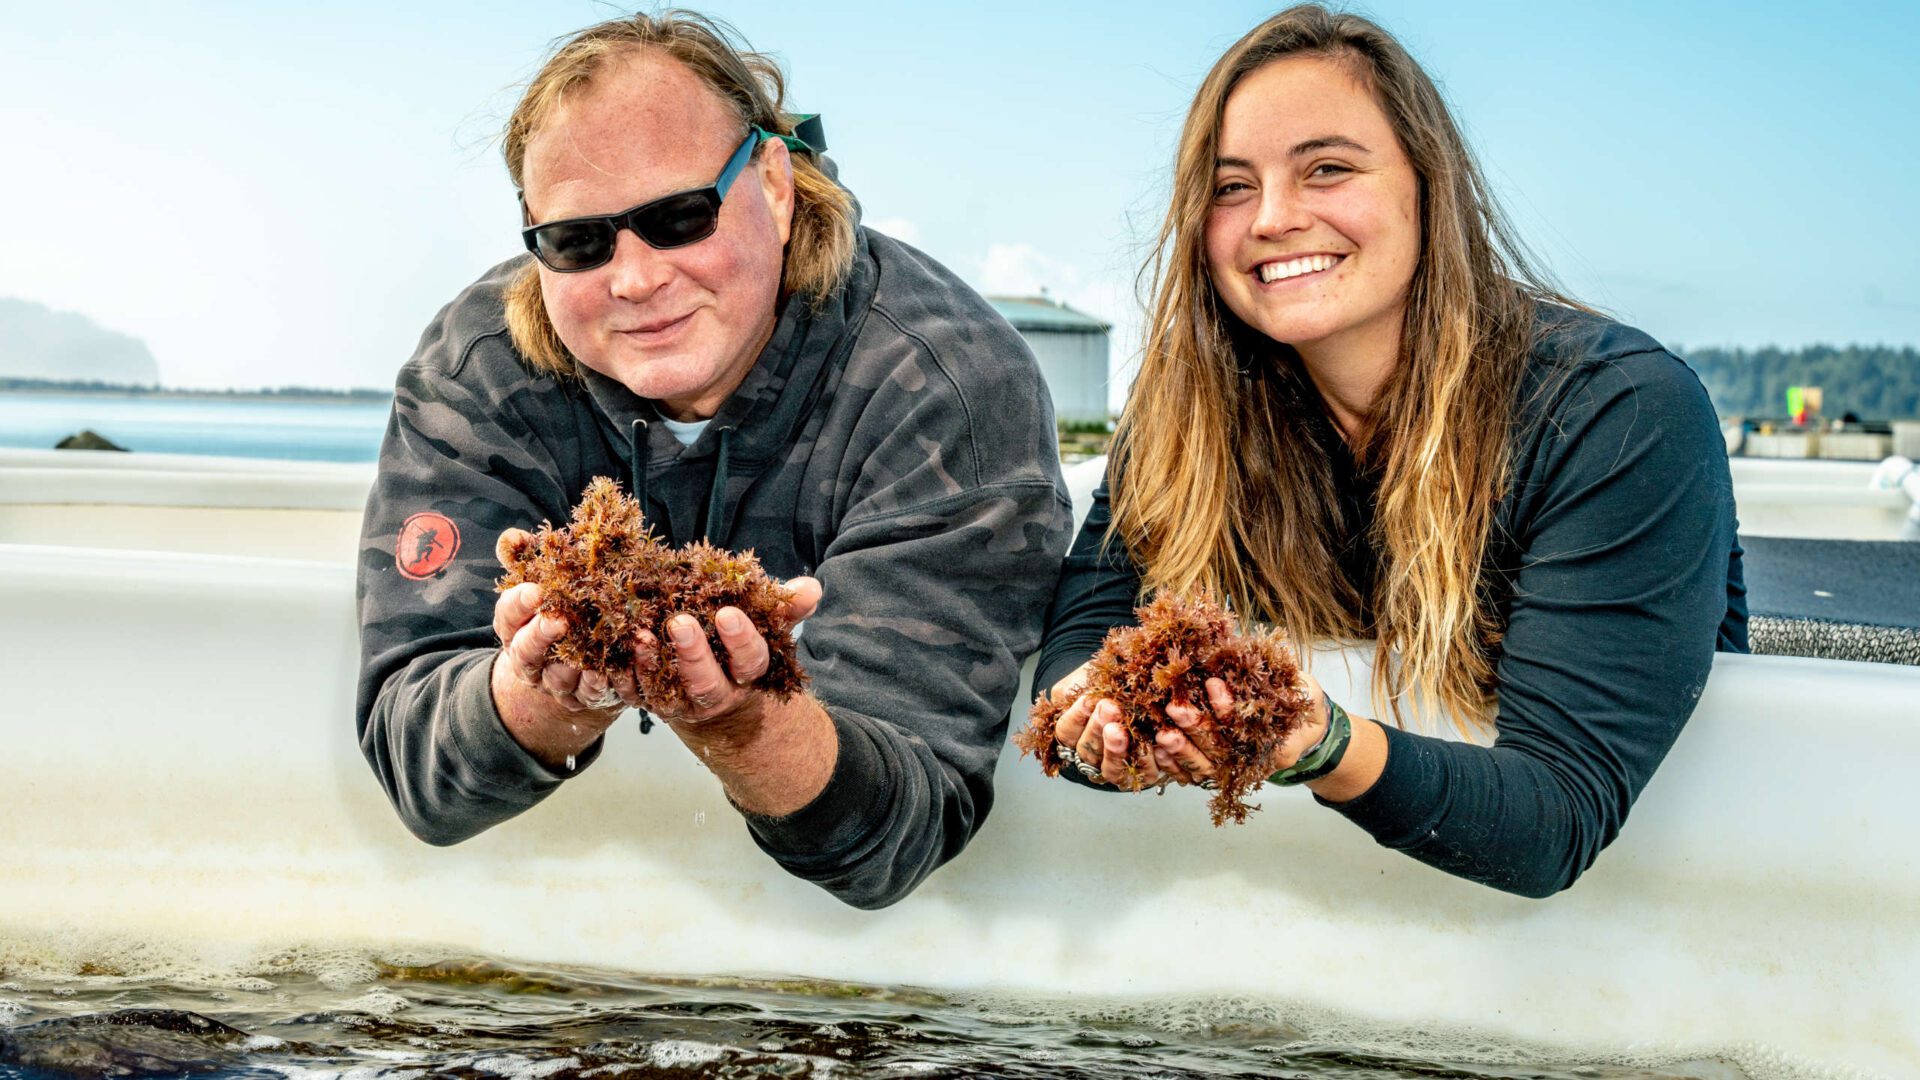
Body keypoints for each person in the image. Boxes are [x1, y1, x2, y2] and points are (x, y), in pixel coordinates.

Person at [355, 10, 1070, 910]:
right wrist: (546, 692)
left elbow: (904, 829)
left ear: (774, 183)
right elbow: (419, 771)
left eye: (681, 216)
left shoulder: (947, 389)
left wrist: (739, 719)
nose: (635, 278)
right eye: (578, 241)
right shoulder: (479, 372)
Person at [1032, 4, 1747, 898]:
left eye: (1327, 169)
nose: (1273, 219)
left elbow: (1556, 818)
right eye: (1230, 186)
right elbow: (1086, 634)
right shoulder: (1188, 414)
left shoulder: (1619, 414)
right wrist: (1101, 732)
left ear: (1428, 185)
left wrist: (1314, 739)